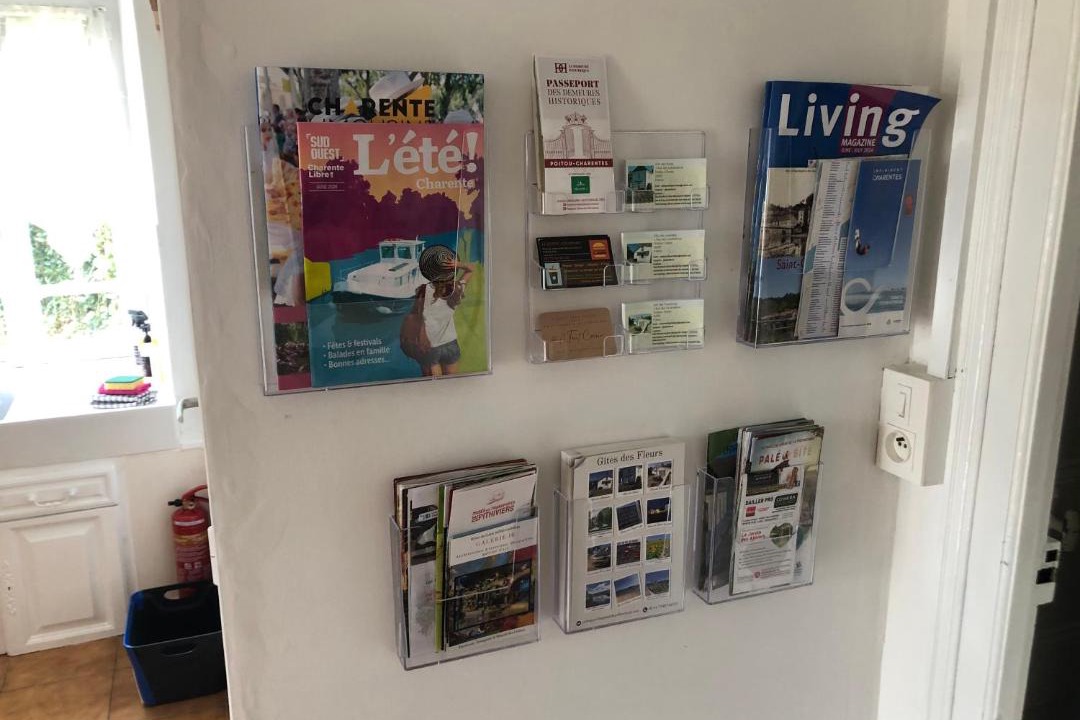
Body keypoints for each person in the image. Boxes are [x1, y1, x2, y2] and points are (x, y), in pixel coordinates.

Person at [413, 245, 474, 376]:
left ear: (430, 269)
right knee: (452, 387)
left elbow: (418, 318)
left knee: (433, 390)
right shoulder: (456, 289)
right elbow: (471, 269)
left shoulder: (422, 290)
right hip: (451, 343)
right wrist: (457, 264)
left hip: (429, 345)